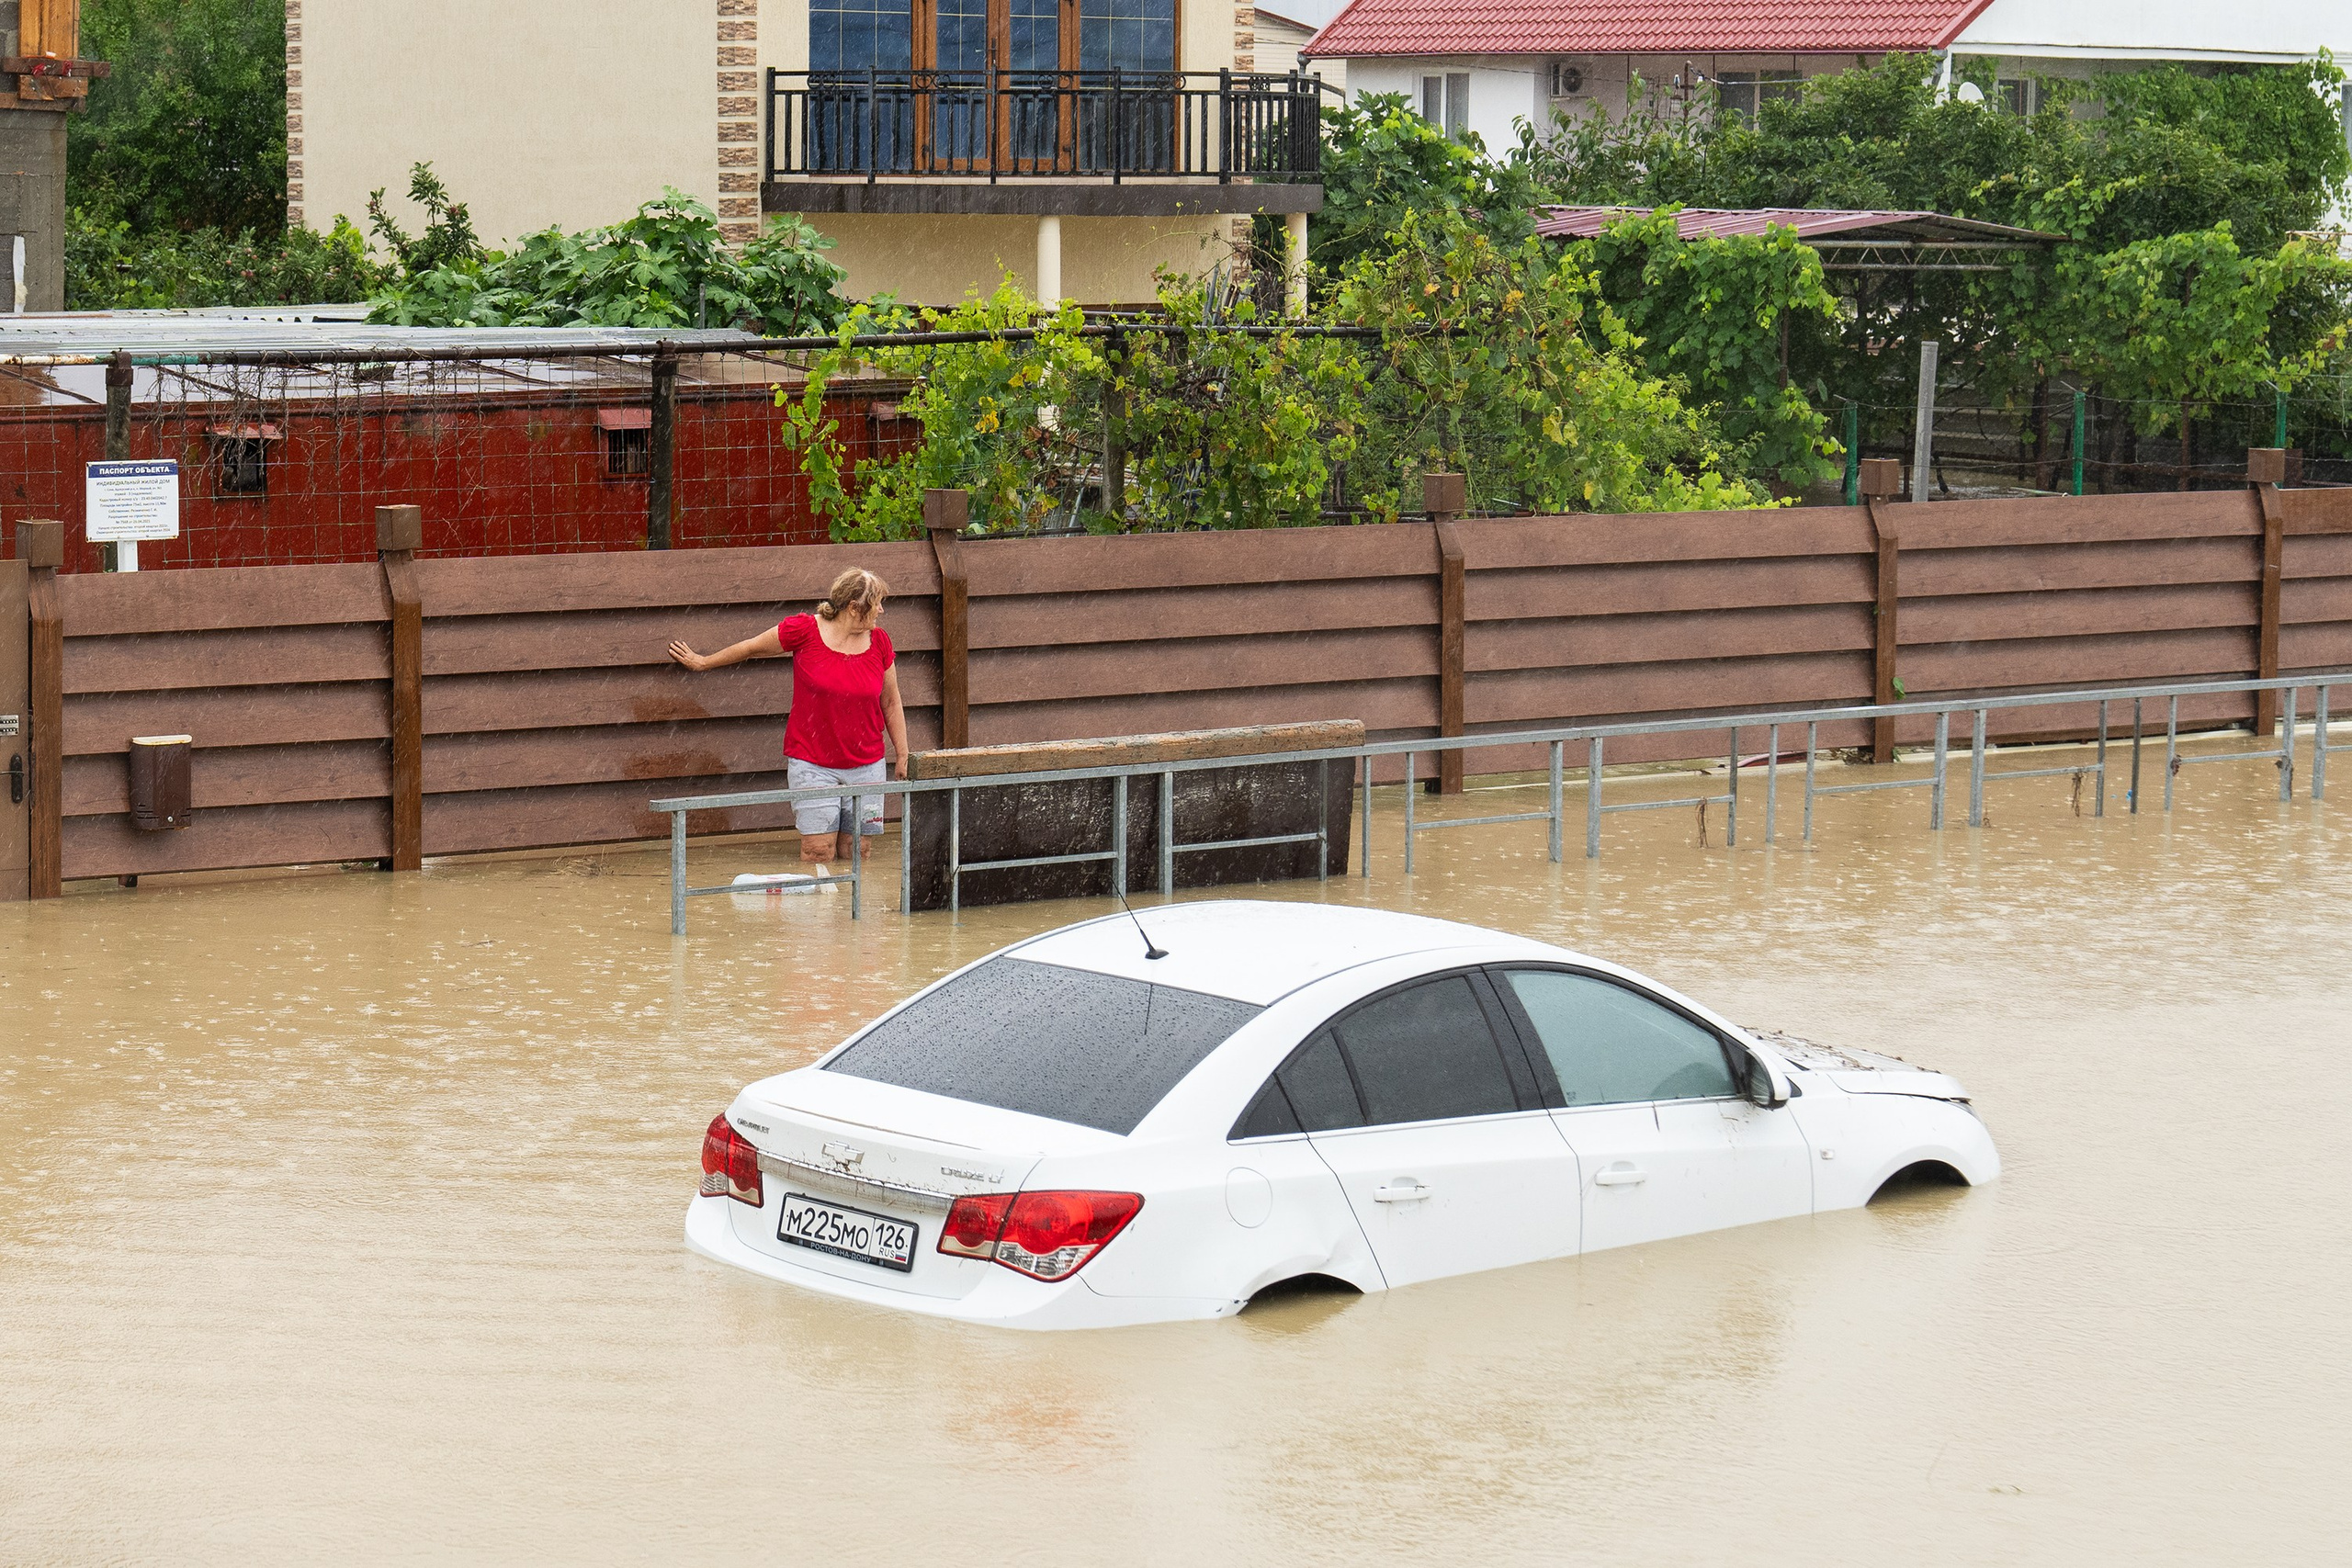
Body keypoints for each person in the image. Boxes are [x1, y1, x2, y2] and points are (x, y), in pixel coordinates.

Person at [669, 567, 908, 883]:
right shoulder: (804, 630)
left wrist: (902, 754)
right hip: (812, 764)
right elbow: (751, 647)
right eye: (877, 603)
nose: (881, 610)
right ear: (853, 607)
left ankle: (853, 915)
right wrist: (703, 661)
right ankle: (818, 914)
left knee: (857, 852)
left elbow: (891, 701)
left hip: (867, 766)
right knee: (818, 851)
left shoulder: (880, 642)